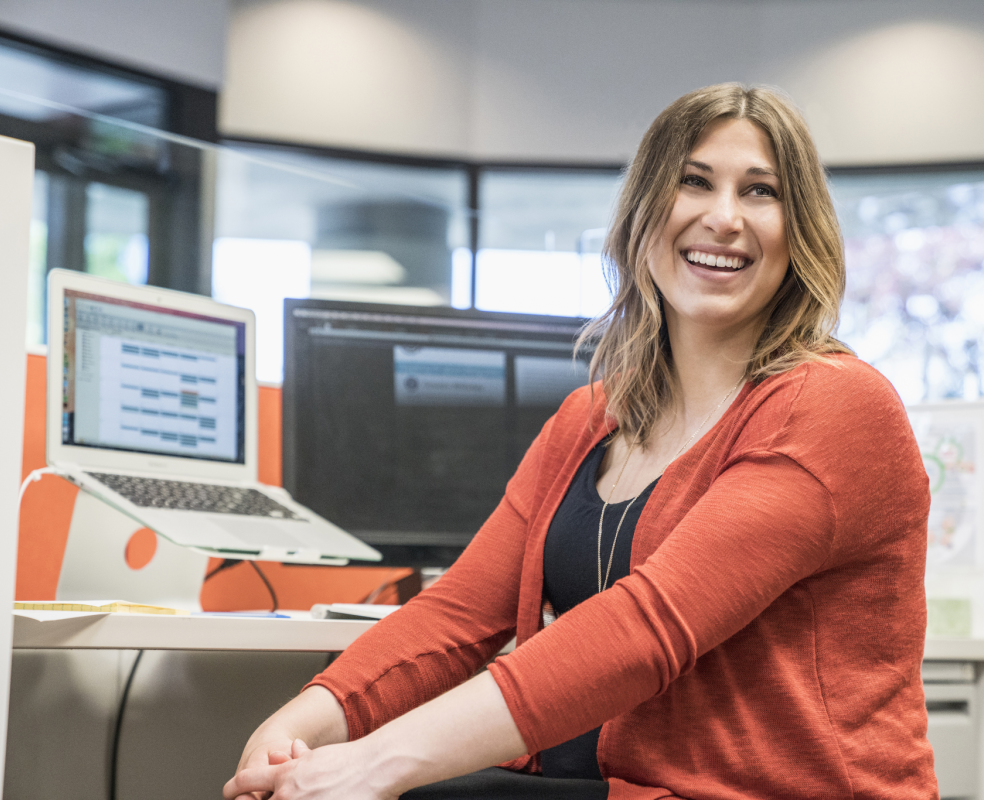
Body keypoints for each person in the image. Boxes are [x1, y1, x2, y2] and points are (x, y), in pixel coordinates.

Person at [224, 83, 937, 800]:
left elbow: (647, 626)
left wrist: (379, 762)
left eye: (761, 192)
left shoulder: (834, 405)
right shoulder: (589, 417)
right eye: (693, 181)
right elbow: (459, 614)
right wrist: (300, 726)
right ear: (643, 211)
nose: (724, 218)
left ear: (800, 227)